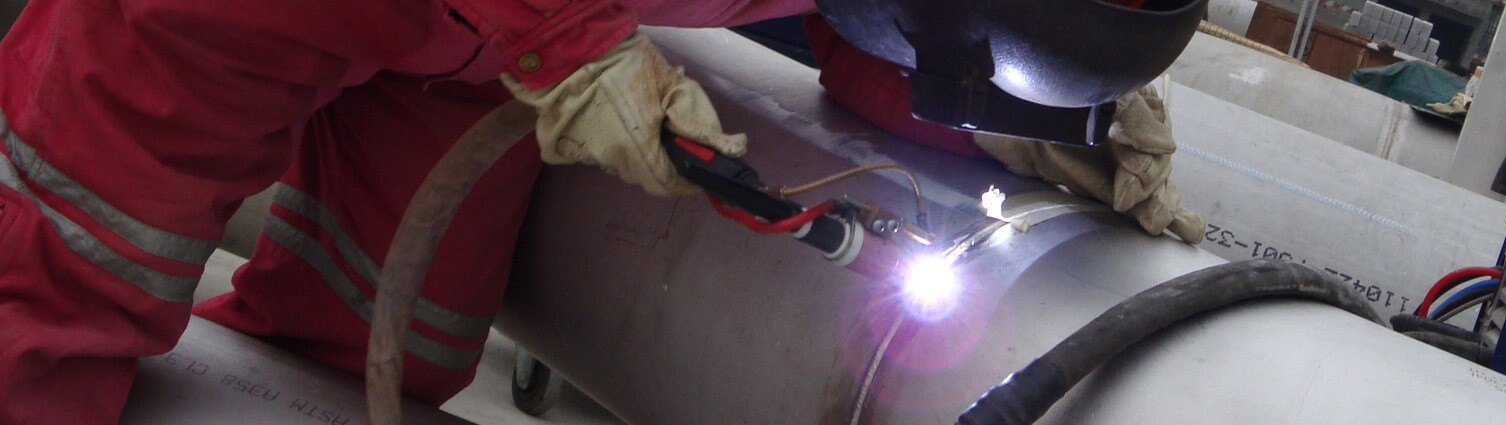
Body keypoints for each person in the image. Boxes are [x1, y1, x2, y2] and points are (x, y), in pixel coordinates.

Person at [0, 1, 1204, 423]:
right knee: (49, 300)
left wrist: (988, 117)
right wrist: (566, 39)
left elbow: (850, 24)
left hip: (456, 52)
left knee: (380, 346)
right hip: (224, 18)